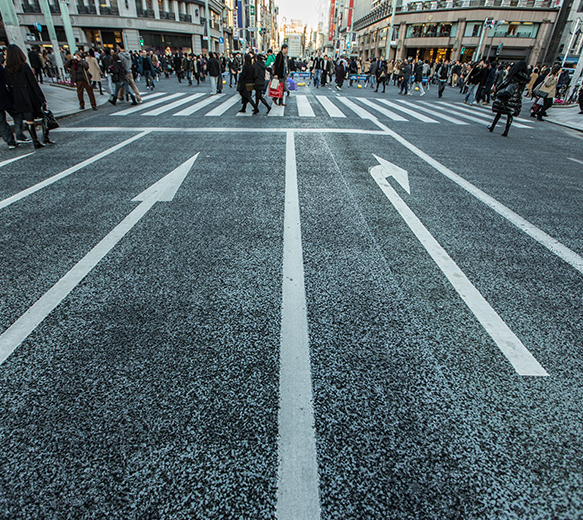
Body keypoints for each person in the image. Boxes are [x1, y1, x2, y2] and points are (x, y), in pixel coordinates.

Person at [4, 44, 51, 148]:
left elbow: (8, 84)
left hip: (17, 96)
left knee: (29, 119)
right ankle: (45, 137)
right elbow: (33, 83)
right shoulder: (24, 66)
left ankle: (35, 140)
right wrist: (41, 98)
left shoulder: (8, 68)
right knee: (44, 115)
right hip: (29, 94)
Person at [488, 61, 529, 137]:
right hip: (516, 97)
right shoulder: (524, 77)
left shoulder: (514, 74)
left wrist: (498, 91)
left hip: (508, 94)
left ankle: (492, 127)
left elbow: (505, 83)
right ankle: (506, 131)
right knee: (510, 114)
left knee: (499, 111)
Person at [0, 63, 18, 149]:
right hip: (3, 96)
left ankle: (10, 142)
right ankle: (19, 134)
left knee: (1, 122)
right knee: (17, 114)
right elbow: (5, 78)